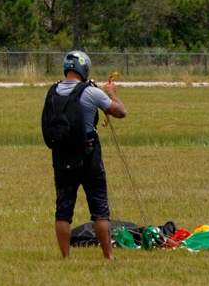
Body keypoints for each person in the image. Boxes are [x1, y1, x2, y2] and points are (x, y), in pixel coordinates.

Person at [47, 50, 127, 260]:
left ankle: (65, 257)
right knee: (99, 208)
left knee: (63, 210)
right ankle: (108, 256)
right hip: (89, 156)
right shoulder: (91, 92)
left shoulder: (52, 92)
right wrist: (111, 93)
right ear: (84, 69)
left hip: (62, 156)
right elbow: (120, 112)